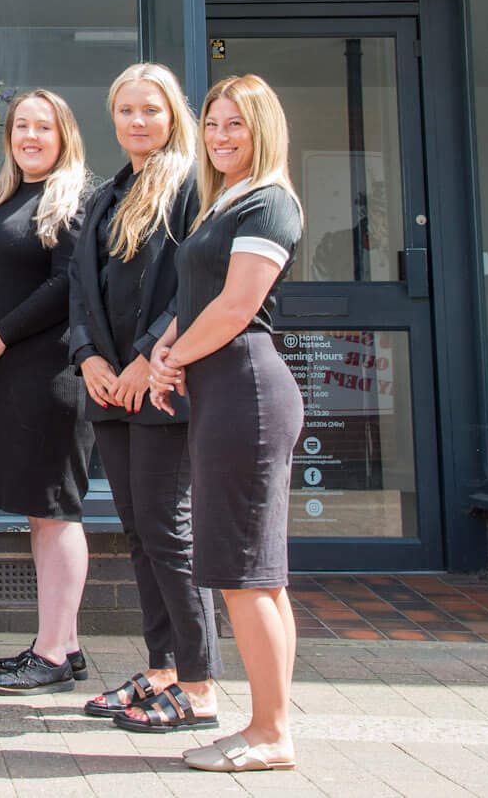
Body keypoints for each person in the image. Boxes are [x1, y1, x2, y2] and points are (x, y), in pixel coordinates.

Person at [148, 74, 306, 774]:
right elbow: (202, 294)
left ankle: (270, 733)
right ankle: (268, 723)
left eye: (235, 124)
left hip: (245, 386)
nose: (220, 136)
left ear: (262, 128)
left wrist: (171, 359)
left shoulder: (270, 202)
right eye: (212, 124)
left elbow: (238, 305)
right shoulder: (227, 201)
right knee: (261, 576)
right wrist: (167, 347)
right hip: (223, 387)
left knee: (245, 572)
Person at [66, 62, 222, 735]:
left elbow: (196, 287)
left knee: (169, 531)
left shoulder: (191, 187)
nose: (137, 121)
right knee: (138, 532)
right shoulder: (107, 195)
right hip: (110, 388)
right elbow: (80, 288)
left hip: (162, 387)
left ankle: (201, 683)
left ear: (173, 115)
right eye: (126, 110)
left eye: (150, 110)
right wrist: (90, 358)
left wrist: (144, 358)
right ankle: (161, 669)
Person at [0, 90, 96, 696]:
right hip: (4, 372)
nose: (30, 136)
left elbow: (67, 284)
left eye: (44, 127)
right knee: (42, 515)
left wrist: (1, 336)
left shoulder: (73, 199)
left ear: (64, 134)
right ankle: (60, 642)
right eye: (21, 126)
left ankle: (53, 654)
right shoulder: (2, 197)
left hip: (49, 375)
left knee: (56, 511)